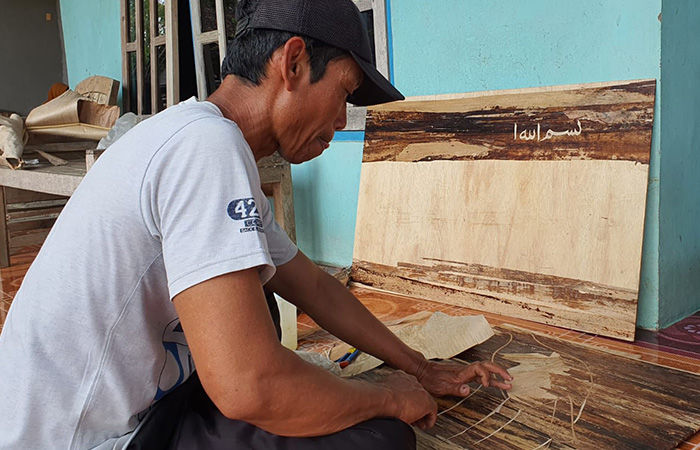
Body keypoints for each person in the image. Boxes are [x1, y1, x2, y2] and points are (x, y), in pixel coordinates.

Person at [0, 0, 512, 449]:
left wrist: (418, 367)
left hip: (135, 406)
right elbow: (248, 386)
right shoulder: (206, 149)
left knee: (262, 301)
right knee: (380, 437)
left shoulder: (197, 134)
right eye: (344, 92)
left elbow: (311, 285)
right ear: (293, 62)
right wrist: (388, 399)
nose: (341, 120)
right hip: (86, 439)